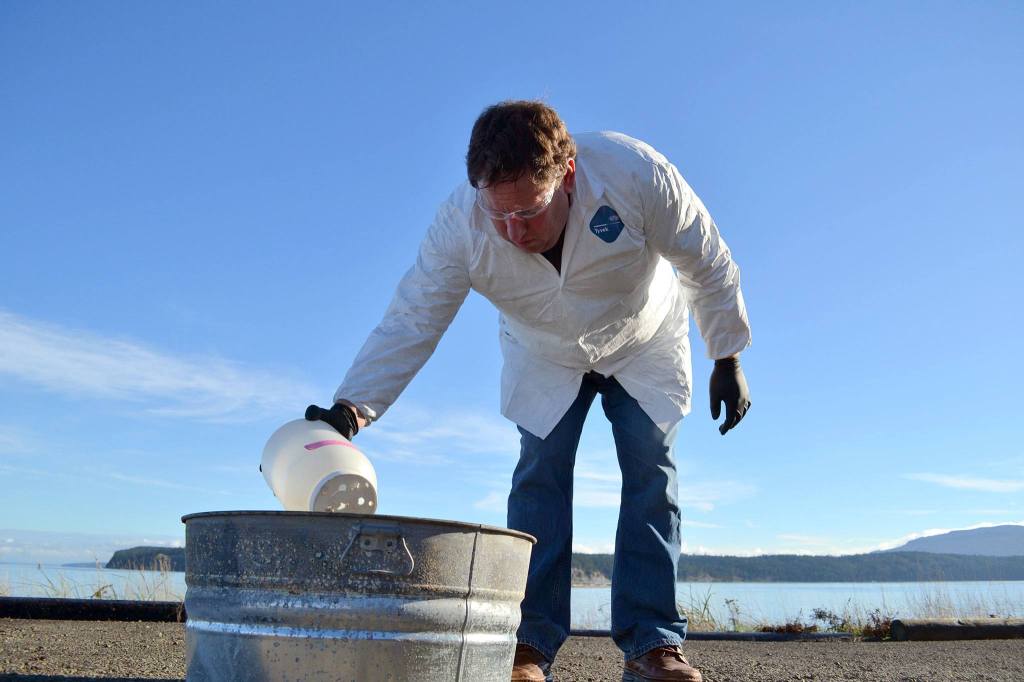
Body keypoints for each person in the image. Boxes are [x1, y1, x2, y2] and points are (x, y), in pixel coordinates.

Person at [306, 100, 751, 682]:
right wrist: (352, 406)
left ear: (567, 175)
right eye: (500, 216)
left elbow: (706, 259)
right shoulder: (460, 226)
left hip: (642, 339)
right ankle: (527, 646)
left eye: (530, 213)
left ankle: (653, 644)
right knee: (538, 478)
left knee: (651, 472)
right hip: (544, 356)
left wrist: (727, 353)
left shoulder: (635, 172)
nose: (514, 233)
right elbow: (413, 318)